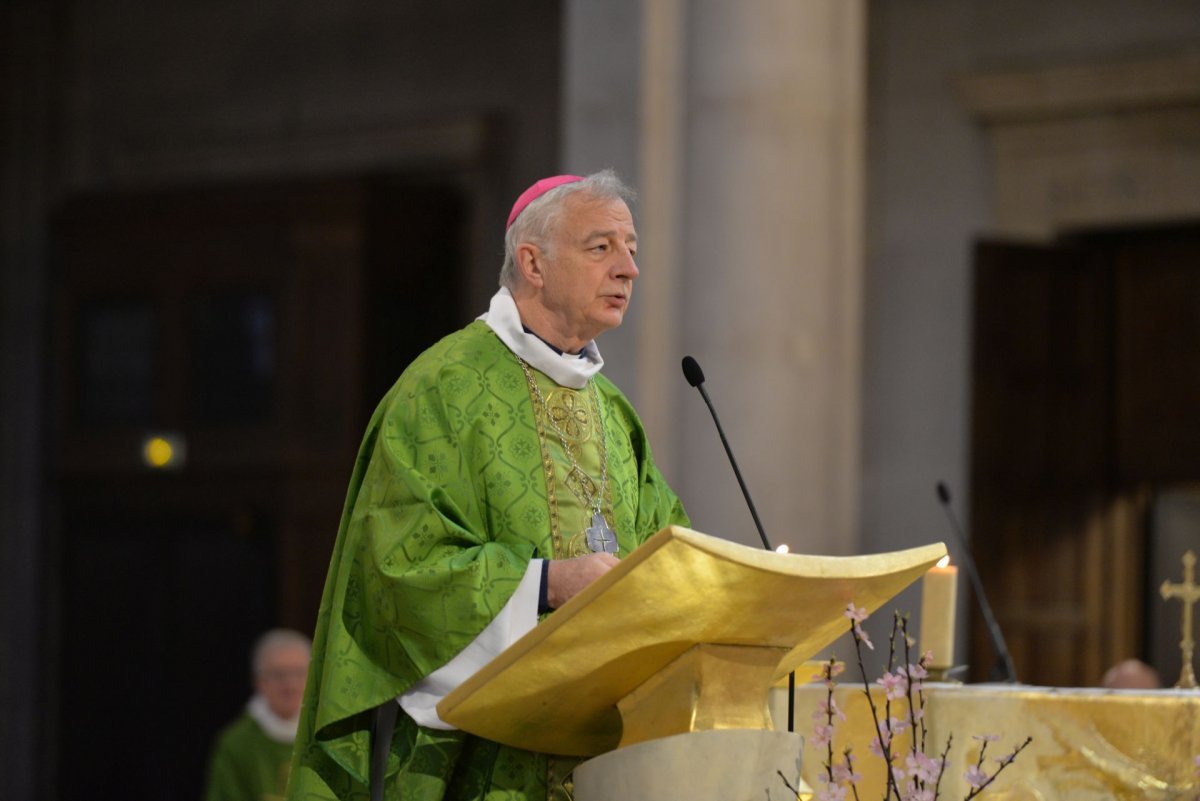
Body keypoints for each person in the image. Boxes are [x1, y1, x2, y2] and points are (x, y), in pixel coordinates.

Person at [285, 170, 689, 801]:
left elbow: (669, 547)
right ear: (533, 262)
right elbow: (397, 575)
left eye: (632, 249)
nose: (629, 269)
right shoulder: (445, 387)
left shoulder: (612, 412)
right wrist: (547, 583)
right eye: (602, 247)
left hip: (602, 761)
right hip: (472, 764)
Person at [204, 628, 312, 801]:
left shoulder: (325, 736)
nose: (291, 685)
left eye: (300, 673)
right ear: (259, 681)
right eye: (279, 675)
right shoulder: (236, 744)